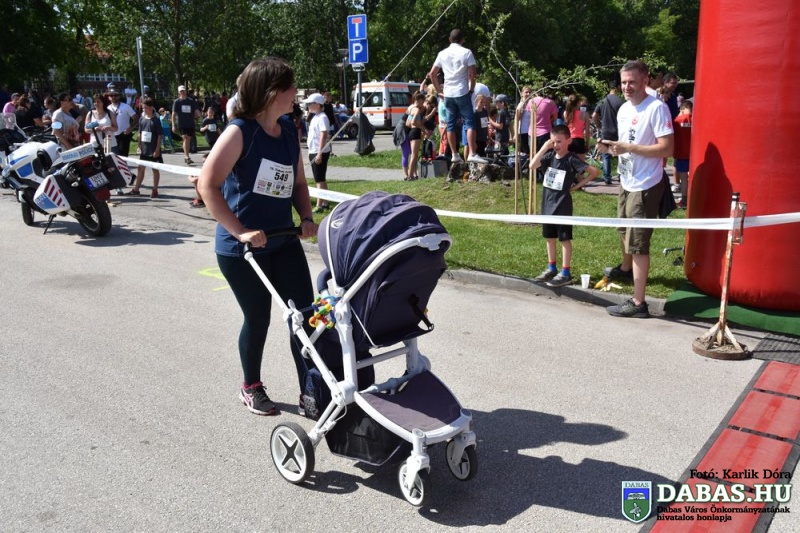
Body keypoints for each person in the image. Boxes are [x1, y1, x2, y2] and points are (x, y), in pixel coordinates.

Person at [197, 58, 318, 416]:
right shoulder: (239, 133)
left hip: (283, 240)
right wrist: (241, 231)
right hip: (242, 250)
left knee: (304, 318)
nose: (296, 92)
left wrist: (306, 217)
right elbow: (207, 185)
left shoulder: (288, 130)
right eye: (290, 86)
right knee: (258, 317)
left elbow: (298, 184)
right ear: (271, 92)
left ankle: (310, 390)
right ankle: (251, 386)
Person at [598, 60, 674, 318]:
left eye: (632, 81)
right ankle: (626, 269)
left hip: (646, 184)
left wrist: (629, 148)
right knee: (624, 231)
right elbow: (625, 145)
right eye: (623, 82)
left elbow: (667, 148)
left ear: (645, 80)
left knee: (639, 243)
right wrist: (610, 148)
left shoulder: (657, 108)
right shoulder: (623, 109)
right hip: (626, 179)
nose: (627, 87)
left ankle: (639, 303)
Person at [530, 124, 599, 287]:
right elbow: (532, 165)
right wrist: (544, 148)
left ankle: (565, 272)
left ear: (569, 141)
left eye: (559, 141)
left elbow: (594, 172)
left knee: (564, 239)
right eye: (553, 142)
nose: (556, 145)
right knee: (549, 237)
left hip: (562, 205)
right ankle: (551, 267)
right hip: (547, 204)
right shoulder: (549, 156)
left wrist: (576, 186)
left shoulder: (571, 159)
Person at [427, 29, 488, 164]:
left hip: (448, 93)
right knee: (469, 122)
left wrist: (439, 91)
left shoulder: (442, 53)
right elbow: (473, 74)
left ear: (449, 39)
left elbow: (432, 74)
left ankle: (454, 154)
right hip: (462, 91)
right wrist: (471, 89)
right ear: (463, 40)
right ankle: (472, 153)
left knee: (451, 125)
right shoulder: (467, 52)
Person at [303, 92, 332, 212]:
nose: (308, 106)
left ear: (318, 104)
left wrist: (319, 153)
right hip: (314, 150)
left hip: (319, 151)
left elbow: (323, 135)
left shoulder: (322, 117)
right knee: (320, 178)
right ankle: (325, 202)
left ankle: (319, 205)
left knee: (318, 179)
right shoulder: (315, 117)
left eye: (311, 103)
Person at [592, 79, 624, 184]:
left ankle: (607, 178)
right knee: (619, 153)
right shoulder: (620, 101)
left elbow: (594, 115)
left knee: (606, 155)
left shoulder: (603, 101)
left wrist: (599, 127)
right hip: (618, 131)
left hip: (605, 131)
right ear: (618, 87)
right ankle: (620, 176)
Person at [129, 97, 162, 198]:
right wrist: (138, 146)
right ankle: (136, 189)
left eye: (146, 108)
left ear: (151, 107)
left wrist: (157, 150)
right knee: (140, 169)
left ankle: (155, 190)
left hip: (153, 149)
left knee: (155, 169)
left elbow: (159, 136)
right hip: (144, 149)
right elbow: (140, 133)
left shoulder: (156, 120)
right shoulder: (142, 119)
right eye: (143, 108)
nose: (144, 110)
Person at [527, 92, 559, 180]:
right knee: (546, 156)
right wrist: (548, 120)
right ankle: (545, 176)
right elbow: (555, 117)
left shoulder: (531, 101)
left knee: (534, 155)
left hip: (531, 132)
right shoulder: (550, 102)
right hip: (545, 131)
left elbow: (530, 114)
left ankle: (534, 176)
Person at [172, 85, 200, 165]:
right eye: (181, 91)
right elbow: (173, 114)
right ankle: (186, 157)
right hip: (182, 123)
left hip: (190, 123)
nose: (182, 92)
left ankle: (186, 156)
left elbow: (196, 112)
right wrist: (173, 125)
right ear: (179, 92)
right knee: (185, 138)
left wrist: (197, 118)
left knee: (188, 139)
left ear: (185, 91)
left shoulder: (191, 101)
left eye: (183, 91)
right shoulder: (177, 102)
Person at [672, 100, 693, 208]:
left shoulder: (677, 120)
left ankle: (684, 201)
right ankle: (693, 198)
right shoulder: (695, 119)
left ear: (682, 109)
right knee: (693, 177)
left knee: (684, 179)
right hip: (694, 154)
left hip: (681, 154)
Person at [107, 88, 138, 159]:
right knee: (112, 157)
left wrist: (130, 128)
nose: (113, 97)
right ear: (109, 97)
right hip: (112, 135)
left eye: (115, 95)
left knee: (122, 157)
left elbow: (136, 118)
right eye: (111, 95)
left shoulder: (126, 106)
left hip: (124, 135)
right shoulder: (107, 108)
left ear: (119, 96)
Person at [405, 91, 426, 181]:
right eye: (423, 101)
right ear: (420, 100)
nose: (423, 103)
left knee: (413, 155)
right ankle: (410, 176)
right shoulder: (416, 110)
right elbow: (413, 122)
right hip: (416, 132)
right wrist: (422, 128)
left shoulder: (412, 109)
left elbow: (407, 123)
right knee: (414, 155)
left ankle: (411, 175)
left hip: (411, 132)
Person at [564, 94, 590, 162]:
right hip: (579, 141)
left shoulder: (566, 113)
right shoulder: (585, 114)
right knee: (581, 165)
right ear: (578, 103)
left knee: (568, 164)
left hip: (569, 140)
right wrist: (587, 144)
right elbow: (587, 131)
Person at [514, 86, 533, 154]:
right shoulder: (521, 105)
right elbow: (516, 120)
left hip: (531, 131)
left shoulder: (531, 103)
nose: (528, 94)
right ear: (522, 93)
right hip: (524, 132)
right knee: (526, 152)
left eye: (529, 92)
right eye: (526, 92)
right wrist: (515, 134)